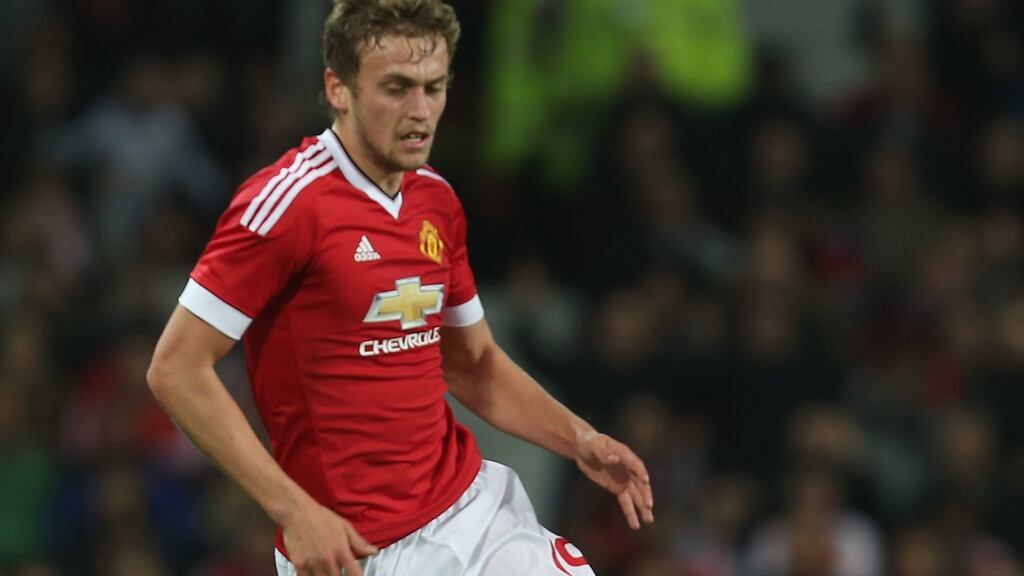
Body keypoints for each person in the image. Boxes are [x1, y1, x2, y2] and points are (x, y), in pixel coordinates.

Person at [146, 1, 654, 575]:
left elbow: (472, 363)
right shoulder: (288, 204)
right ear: (338, 89)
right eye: (397, 88)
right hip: (355, 549)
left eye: (434, 88)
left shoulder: (436, 198)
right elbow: (176, 369)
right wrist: (293, 510)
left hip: (471, 512)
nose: (421, 110)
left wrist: (580, 438)